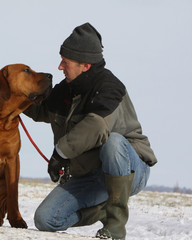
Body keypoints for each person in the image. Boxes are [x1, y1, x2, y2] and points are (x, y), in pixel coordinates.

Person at [23, 22, 157, 240]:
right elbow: (42, 111)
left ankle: (114, 227)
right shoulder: (67, 87)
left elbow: (96, 126)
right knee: (46, 219)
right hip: (92, 175)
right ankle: (103, 208)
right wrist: (5, 92)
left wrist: (60, 153)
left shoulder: (109, 87)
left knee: (113, 142)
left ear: (85, 65)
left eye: (65, 62)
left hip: (131, 170)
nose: (59, 67)